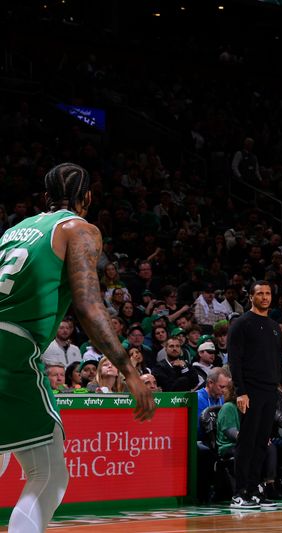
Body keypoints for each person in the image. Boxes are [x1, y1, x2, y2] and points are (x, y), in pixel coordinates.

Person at [0, 162, 155, 533]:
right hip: (12, 347)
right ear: (87, 197)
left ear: (45, 196)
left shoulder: (13, 231)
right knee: (49, 473)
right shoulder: (78, 229)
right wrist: (128, 371)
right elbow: (88, 305)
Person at [227, 280, 282, 509]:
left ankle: (255, 490)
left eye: (268, 293)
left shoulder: (273, 326)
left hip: (270, 392)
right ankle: (239, 493)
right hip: (250, 391)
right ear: (251, 297)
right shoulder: (241, 324)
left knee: (262, 443)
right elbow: (234, 360)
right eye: (260, 293)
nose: (265, 297)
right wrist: (241, 391)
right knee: (246, 443)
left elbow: (280, 363)